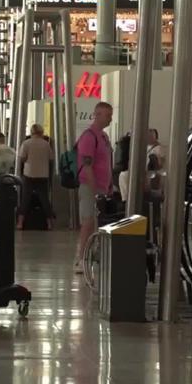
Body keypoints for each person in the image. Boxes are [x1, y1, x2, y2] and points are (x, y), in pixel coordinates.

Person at [75, 102, 113, 274]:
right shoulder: (89, 137)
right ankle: (80, 258)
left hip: (102, 187)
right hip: (90, 186)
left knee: (97, 222)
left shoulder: (104, 137)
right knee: (88, 221)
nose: (110, 118)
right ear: (97, 115)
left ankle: (94, 254)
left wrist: (109, 185)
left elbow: (106, 163)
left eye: (110, 115)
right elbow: (87, 164)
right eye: (107, 115)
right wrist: (94, 187)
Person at [17, 124, 55, 230]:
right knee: (45, 200)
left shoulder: (26, 143)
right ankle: (49, 223)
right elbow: (51, 159)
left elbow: (22, 158)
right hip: (43, 175)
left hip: (29, 174)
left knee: (25, 199)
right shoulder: (46, 144)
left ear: (31, 132)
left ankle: (20, 223)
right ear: (41, 132)